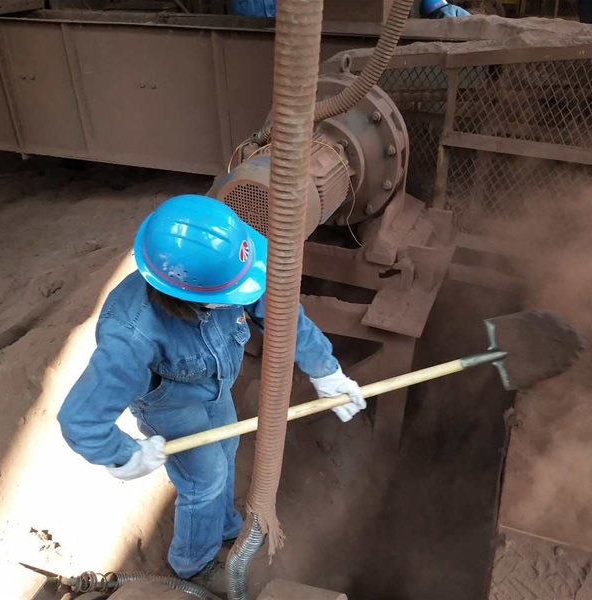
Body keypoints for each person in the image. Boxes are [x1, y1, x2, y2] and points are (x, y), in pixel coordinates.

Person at [57, 195, 366, 593]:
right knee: (205, 477)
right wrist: (123, 455)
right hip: (168, 403)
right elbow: (81, 419)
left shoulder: (231, 269)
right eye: (234, 292)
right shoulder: (131, 333)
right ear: (189, 293)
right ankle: (193, 563)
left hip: (214, 384)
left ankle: (221, 527)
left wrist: (327, 370)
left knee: (227, 447)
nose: (247, 292)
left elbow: (285, 318)